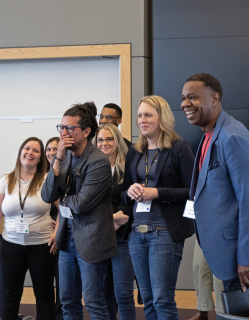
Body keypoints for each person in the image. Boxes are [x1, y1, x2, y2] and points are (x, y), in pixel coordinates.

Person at [181, 73, 249, 303]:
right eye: (183, 98)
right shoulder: (210, 135)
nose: (185, 104)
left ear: (214, 98)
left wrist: (248, 257)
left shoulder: (233, 137)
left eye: (193, 97)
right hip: (229, 253)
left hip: (248, 259)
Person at [41, 102, 117, 319]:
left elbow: (82, 204)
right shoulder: (63, 157)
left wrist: (62, 199)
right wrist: (57, 159)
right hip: (67, 240)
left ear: (86, 132)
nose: (63, 133)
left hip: (92, 239)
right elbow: (47, 196)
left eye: (69, 128)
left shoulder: (98, 161)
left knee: (94, 303)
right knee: (68, 303)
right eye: (61, 127)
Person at [122, 95, 195, 320]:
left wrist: (158, 192)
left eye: (148, 115)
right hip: (136, 234)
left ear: (162, 117)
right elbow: (123, 192)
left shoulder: (179, 148)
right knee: (148, 299)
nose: (142, 120)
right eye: (140, 116)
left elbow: (192, 191)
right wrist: (131, 192)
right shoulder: (135, 151)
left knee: (163, 299)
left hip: (164, 233)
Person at [0, 137, 56, 320]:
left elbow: (63, 208)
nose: (30, 153)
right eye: (27, 149)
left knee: (44, 295)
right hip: (11, 246)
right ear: (20, 152)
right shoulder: (6, 180)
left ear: (41, 158)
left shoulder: (46, 180)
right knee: (9, 295)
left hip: (42, 245)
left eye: (35, 151)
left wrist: (57, 232)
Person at [93, 124, 135, 319]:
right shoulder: (91, 170)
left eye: (109, 139)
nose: (104, 143)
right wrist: (111, 219)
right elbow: (88, 205)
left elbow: (131, 200)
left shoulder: (129, 168)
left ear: (117, 141)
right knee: (105, 293)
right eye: (100, 140)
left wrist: (119, 218)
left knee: (124, 294)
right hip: (100, 237)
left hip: (123, 237)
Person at [44, 136, 63, 319]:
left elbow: (62, 208)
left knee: (62, 283)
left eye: (55, 149)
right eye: (48, 149)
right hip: (41, 237)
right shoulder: (40, 174)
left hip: (60, 236)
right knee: (45, 284)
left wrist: (57, 226)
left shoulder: (64, 174)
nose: (51, 153)